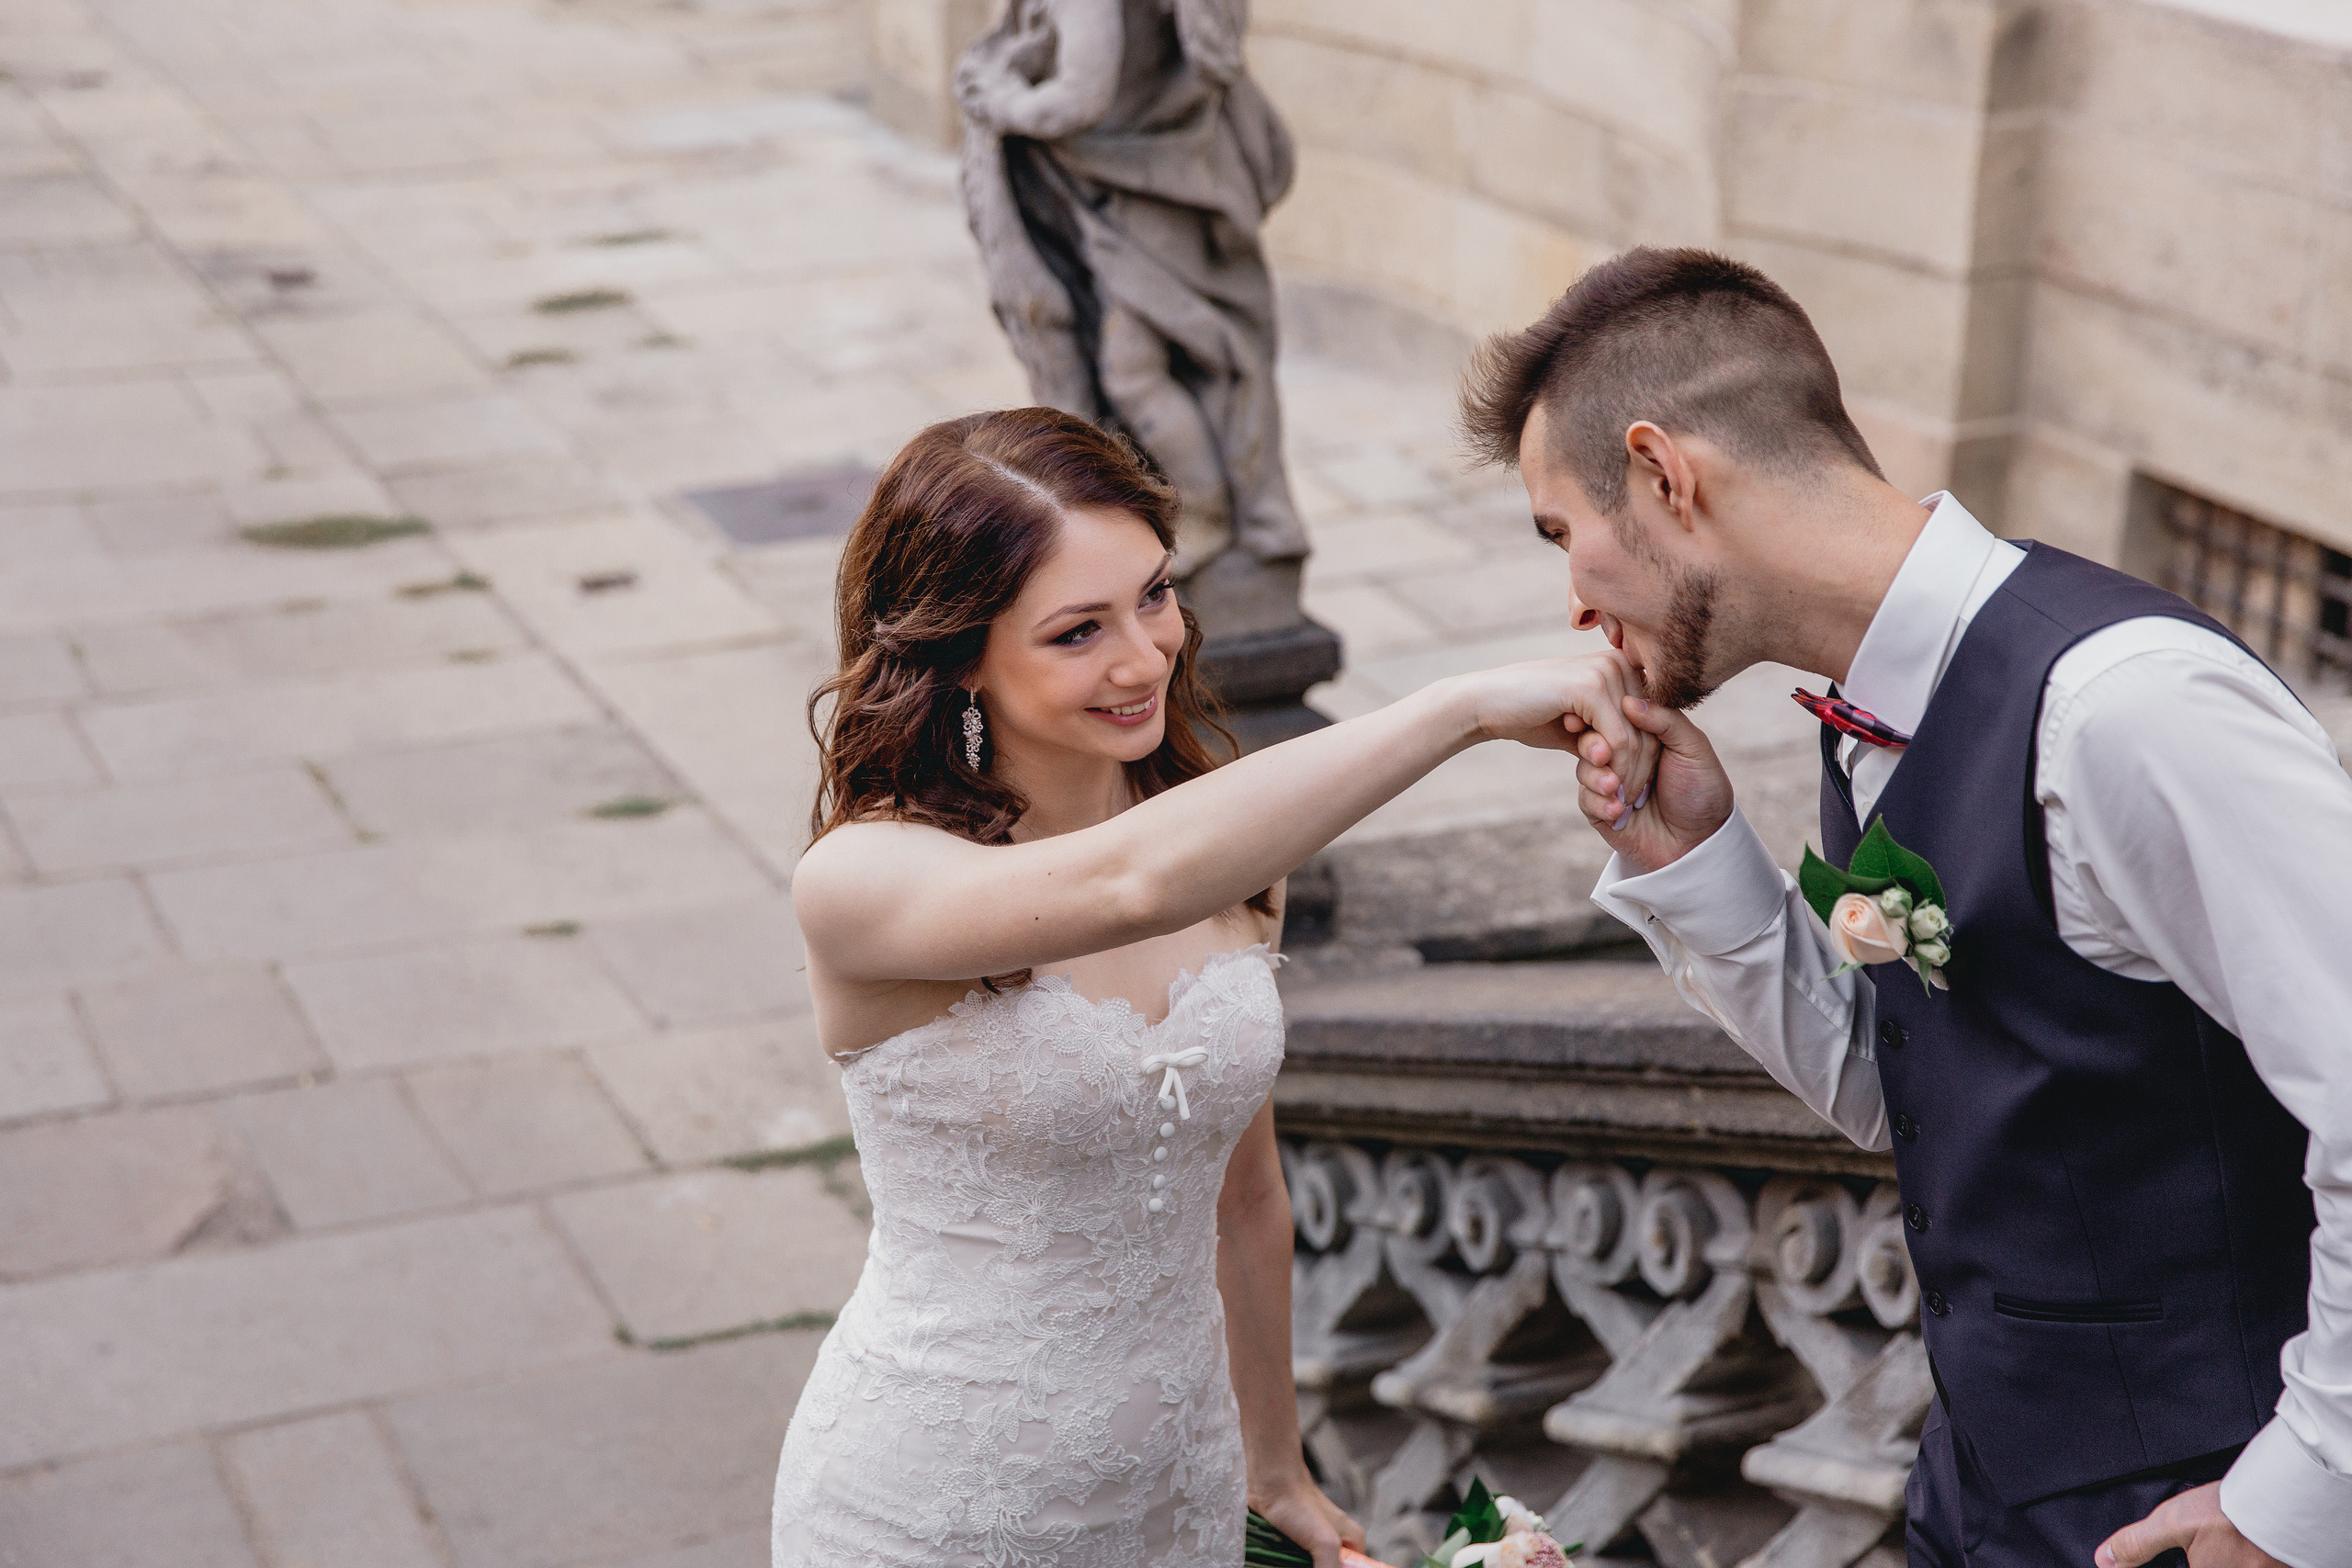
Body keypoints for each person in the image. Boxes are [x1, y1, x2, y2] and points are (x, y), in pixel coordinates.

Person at [1457, 246, 2352, 1568]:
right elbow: (1922, 1085)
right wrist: (1695, 861)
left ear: (1662, 474)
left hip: (2207, 1506)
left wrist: (2301, 1493)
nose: (1575, 603)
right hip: (1982, 1491)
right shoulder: (1868, 707)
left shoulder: (2125, 710)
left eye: (1559, 532)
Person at [771, 405, 1653, 1567]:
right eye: (1076, 632)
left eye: (1154, 594)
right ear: (960, 656)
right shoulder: (860, 880)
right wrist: (1464, 709)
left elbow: (1246, 1198)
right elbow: (1130, 883)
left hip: (1181, 1492)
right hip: (934, 1504)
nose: (1144, 657)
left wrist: (1273, 1465)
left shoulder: (1235, 859)